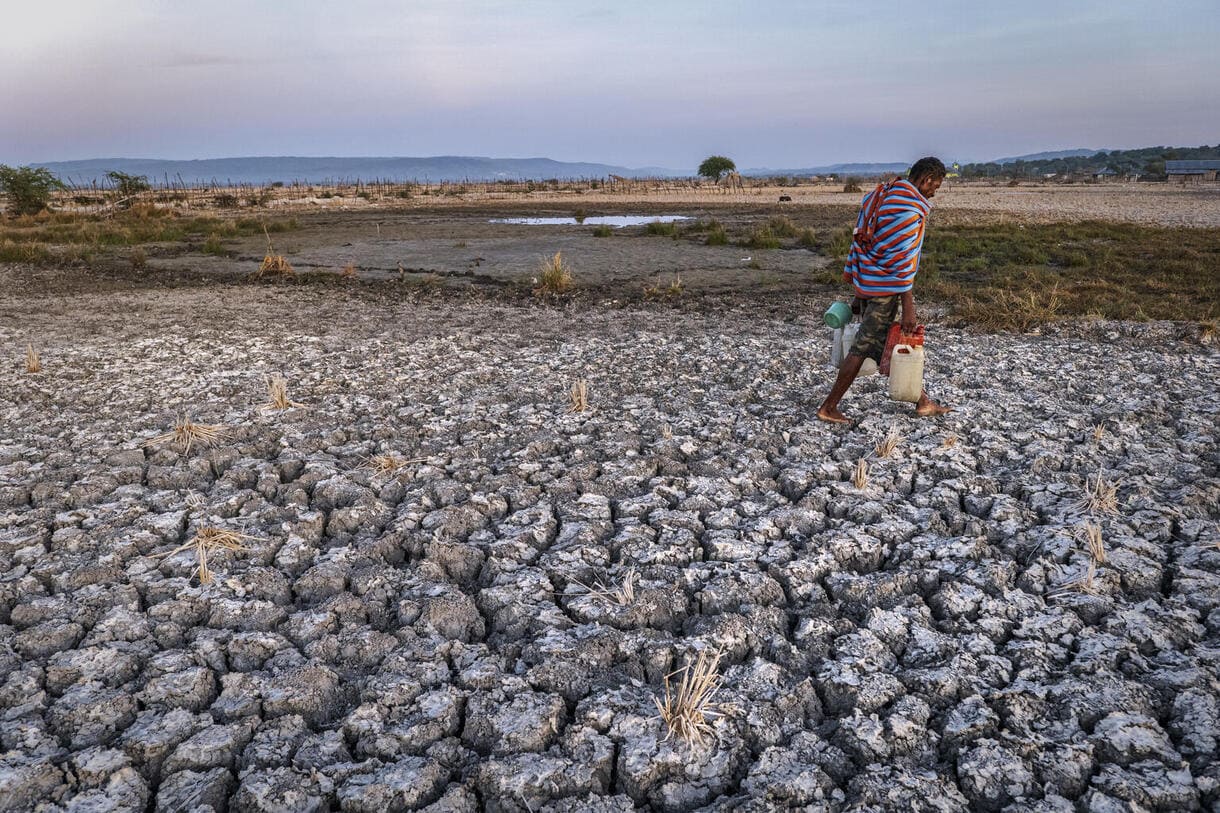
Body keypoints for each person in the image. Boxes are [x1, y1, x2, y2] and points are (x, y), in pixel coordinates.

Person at [816, 157, 952, 425]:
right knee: (863, 346)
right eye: (935, 186)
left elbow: (862, 243)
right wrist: (908, 306)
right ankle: (829, 406)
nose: (935, 191)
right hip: (885, 290)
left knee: (883, 345)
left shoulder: (879, 197)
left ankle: (923, 401)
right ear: (925, 180)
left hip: (868, 282)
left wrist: (858, 290)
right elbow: (903, 261)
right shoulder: (910, 210)